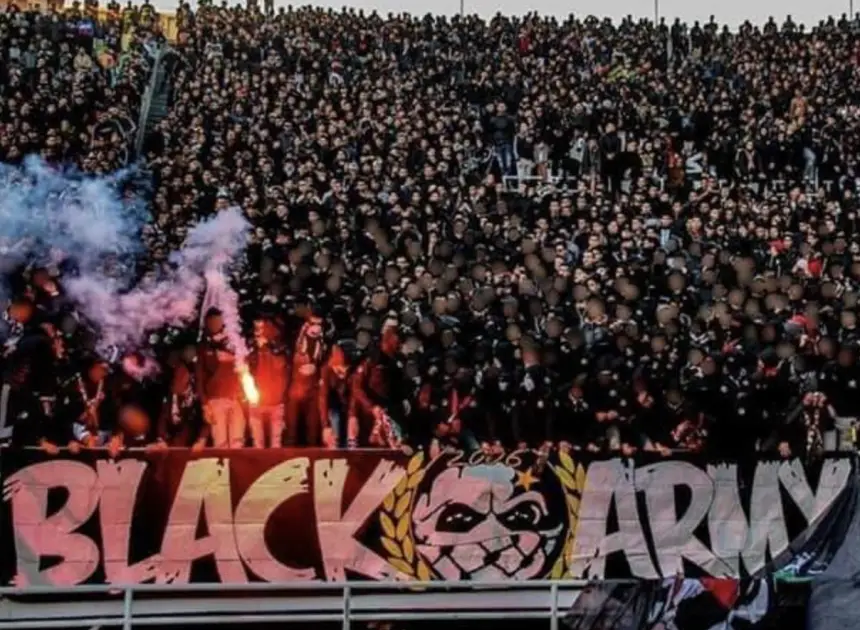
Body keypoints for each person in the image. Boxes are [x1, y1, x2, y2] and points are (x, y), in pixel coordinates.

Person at [196, 308, 245, 448]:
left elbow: (243, 368)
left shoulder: (233, 342)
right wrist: (205, 404)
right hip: (215, 400)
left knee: (237, 442)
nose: (215, 324)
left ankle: (238, 469)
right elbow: (200, 377)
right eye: (211, 321)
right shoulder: (204, 347)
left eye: (217, 320)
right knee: (221, 443)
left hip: (235, 399)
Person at [247, 315, 288, 448]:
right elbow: (246, 369)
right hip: (256, 401)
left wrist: (268, 347)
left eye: (261, 327)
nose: (258, 331)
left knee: (276, 444)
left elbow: (282, 368)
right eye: (256, 328)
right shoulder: (251, 347)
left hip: (276, 402)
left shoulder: (280, 348)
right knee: (257, 444)